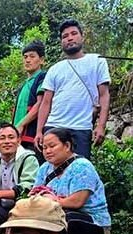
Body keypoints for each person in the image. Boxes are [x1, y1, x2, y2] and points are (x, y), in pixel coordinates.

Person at [33, 128, 111, 234]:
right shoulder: (44, 168)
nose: (47, 151)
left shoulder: (82, 166)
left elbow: (77, 202)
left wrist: (53, 201)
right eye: (44, 148)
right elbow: (35, 194)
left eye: (52, 146)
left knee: (66, 218)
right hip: (57, 214)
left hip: (91, 223)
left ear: (67, 146)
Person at [35, 19, 111, 159]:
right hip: (53, 126)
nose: (69, 38)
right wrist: (39, 131)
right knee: (50, 169)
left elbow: (104, 95)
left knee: (80, 168)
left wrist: (101, 126)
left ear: (82, 37)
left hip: (81, 128)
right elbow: (46, 102)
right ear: (61, 42)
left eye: (74, 33)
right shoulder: (55, 69)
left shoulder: (97, 61)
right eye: (65, 36)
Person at [12, 41, 47, 161]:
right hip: (19, 136)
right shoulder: (24, 85)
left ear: (41, 60)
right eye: (25, 57)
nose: (27, 60)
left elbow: (40, 104)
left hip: (32, 135)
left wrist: (21, 125)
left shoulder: (42, 78)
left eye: (32, 56)